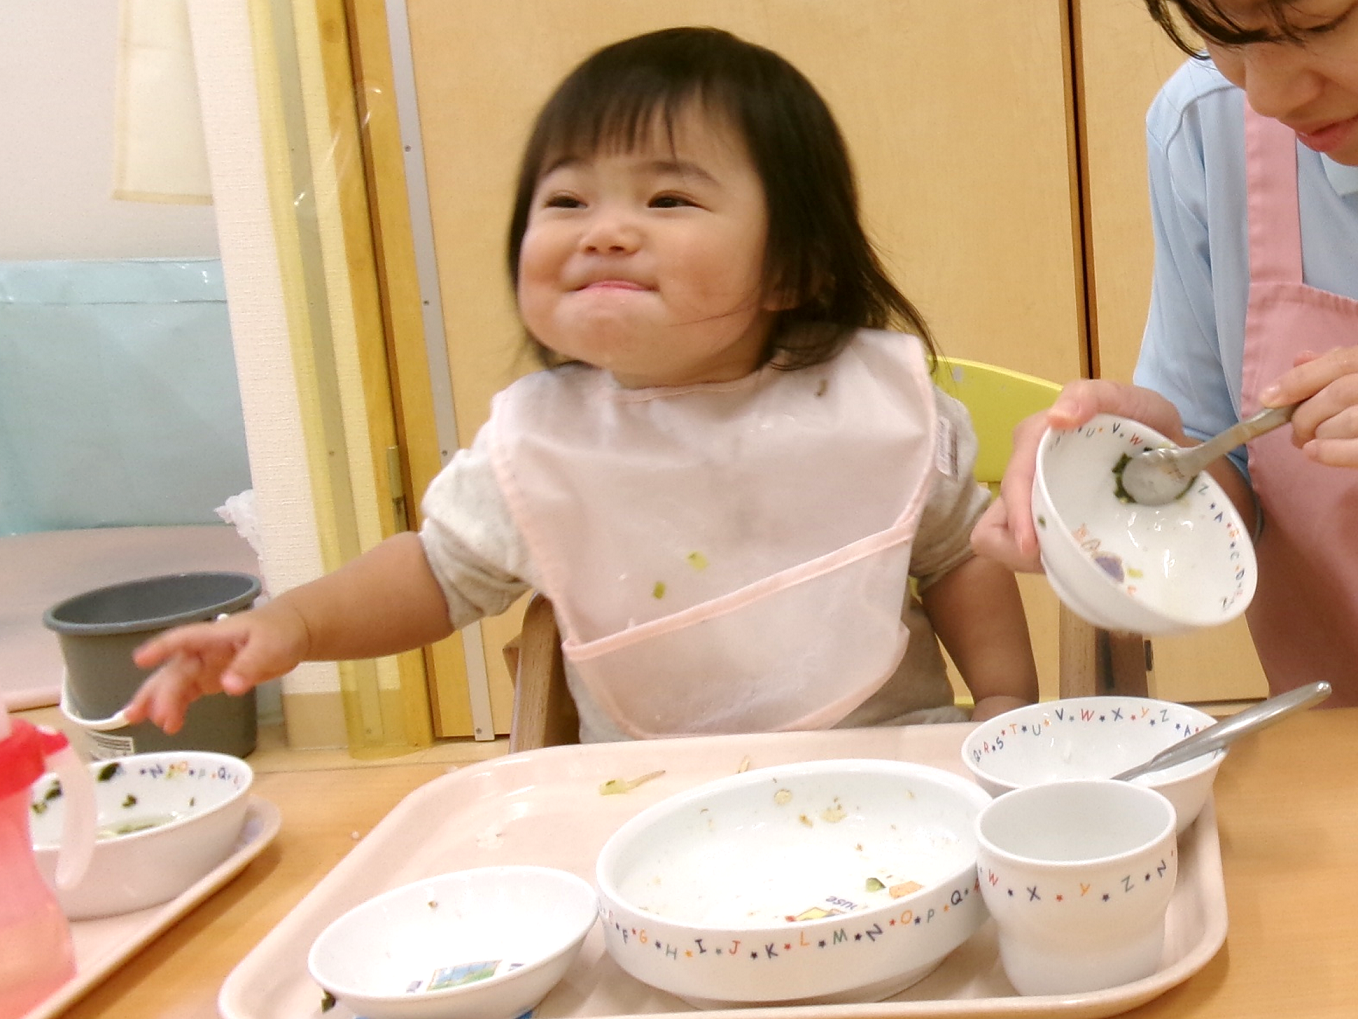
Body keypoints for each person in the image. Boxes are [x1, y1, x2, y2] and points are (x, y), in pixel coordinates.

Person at [125, 27, 1037, 742]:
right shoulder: (541, 445)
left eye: (667, 200)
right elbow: (438, 573)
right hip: (648, 804)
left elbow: (960, 556)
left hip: (893, 776)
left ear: (791, 268)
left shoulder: (873, 405)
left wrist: (1003, 703)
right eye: (566, 201)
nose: (604, 231)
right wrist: (296, 625)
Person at [972, 0, 1358, 704]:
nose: (1267, 95)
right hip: (1334, 755)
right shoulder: (1210, 126)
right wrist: (1128, 475)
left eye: (1319, 27)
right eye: (1226, 36)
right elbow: (1236, 478)